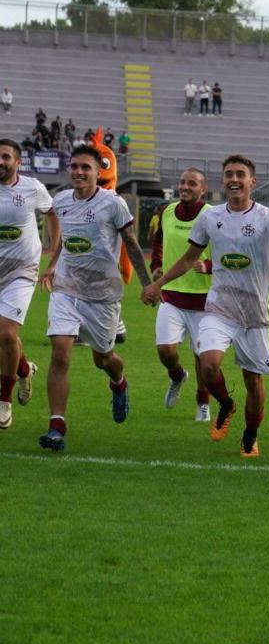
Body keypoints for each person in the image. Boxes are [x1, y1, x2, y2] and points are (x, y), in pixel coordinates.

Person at [141, 155, 269, 457]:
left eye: (240, 174)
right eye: (229, 174)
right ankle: (226, 404)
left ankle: (250, 434)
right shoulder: (210, 217)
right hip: (219, 307)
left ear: (252, 181)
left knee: (253, 381)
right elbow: (189, 258)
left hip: (254, 313)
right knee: (208, 363)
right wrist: (157, 284)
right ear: (222, 180)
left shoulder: (268, 218)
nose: (234, 179)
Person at [36, 145, 153, 450]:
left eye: (86, 167)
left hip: (102, 295)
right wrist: (52, 267)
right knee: (60, 353)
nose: (79, 172)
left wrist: (147, 284)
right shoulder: (61, 200)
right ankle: (57, 426)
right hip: (66, 289)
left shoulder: (113, 203)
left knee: (104, 359)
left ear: (98, 172)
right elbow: (65, 240)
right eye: (74, 166)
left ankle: (119, 383)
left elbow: (131, 243)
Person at [149, 167, 215, 421]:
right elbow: (159, 239)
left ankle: (203, 402)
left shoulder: (213, 215)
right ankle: (177, 376)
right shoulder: (167, 211)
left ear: (203, 189)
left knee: (203, 358)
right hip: (171, 295)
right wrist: (157, 265)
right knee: (165, 350)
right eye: (182, 182)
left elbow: (226, 250)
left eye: (192, 183)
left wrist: (208, 266)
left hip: (204, 299)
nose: (185, 187)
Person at [0, 138, 54, 429]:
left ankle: (4, 400)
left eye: (6, 157)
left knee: (7, 333)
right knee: (3, 338)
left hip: (22, 269)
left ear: (17, 162)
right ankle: (23, 369)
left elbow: (52, 213)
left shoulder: (33, 188)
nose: (0, 162)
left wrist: (54, 253)